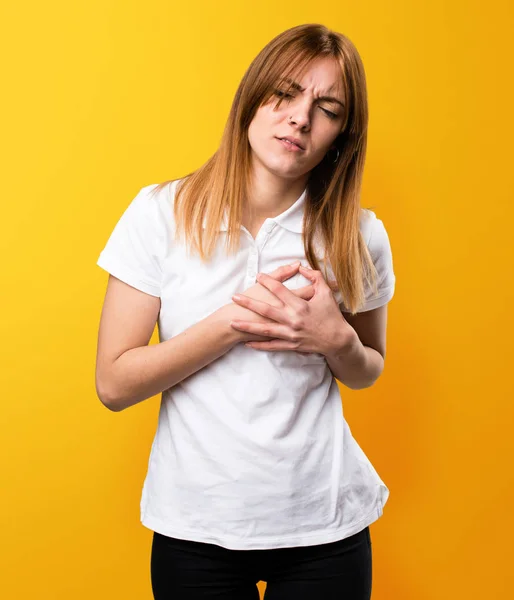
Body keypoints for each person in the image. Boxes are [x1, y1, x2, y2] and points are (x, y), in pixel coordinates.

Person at [95, 22, 395, 600]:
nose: (300, 119)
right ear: (251, 98)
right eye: (284, 94)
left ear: (341, 134)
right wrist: (232, 324)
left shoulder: (360, 235)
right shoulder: (161, 213)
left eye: (327, 108)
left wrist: (337, 343)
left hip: (325, 524)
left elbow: (369, 368)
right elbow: (113, 384)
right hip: (195, 524)